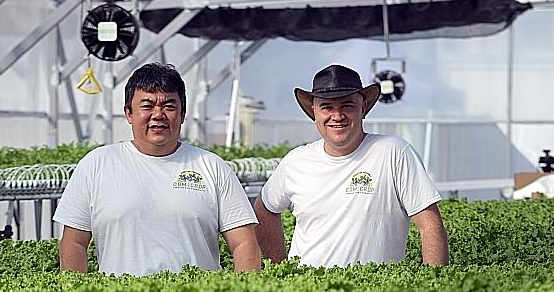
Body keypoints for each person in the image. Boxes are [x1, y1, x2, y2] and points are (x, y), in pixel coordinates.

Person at [56, 62, 260, 276]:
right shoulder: (96, 164)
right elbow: (74, 243)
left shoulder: (212, 167)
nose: (158, 114)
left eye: (169, 106)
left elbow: (243, 243)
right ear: (128, 113)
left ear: (182, 115)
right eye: (147, 105)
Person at [255, 64, 448, 267]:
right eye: (327, 107)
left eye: (347, 105)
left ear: (363, 108)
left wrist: (434, 286)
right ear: (314, 112)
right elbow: (264, 209)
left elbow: (430, 225)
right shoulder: (296, 161)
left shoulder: (394, 153)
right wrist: (279, 268)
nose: (337, 116)